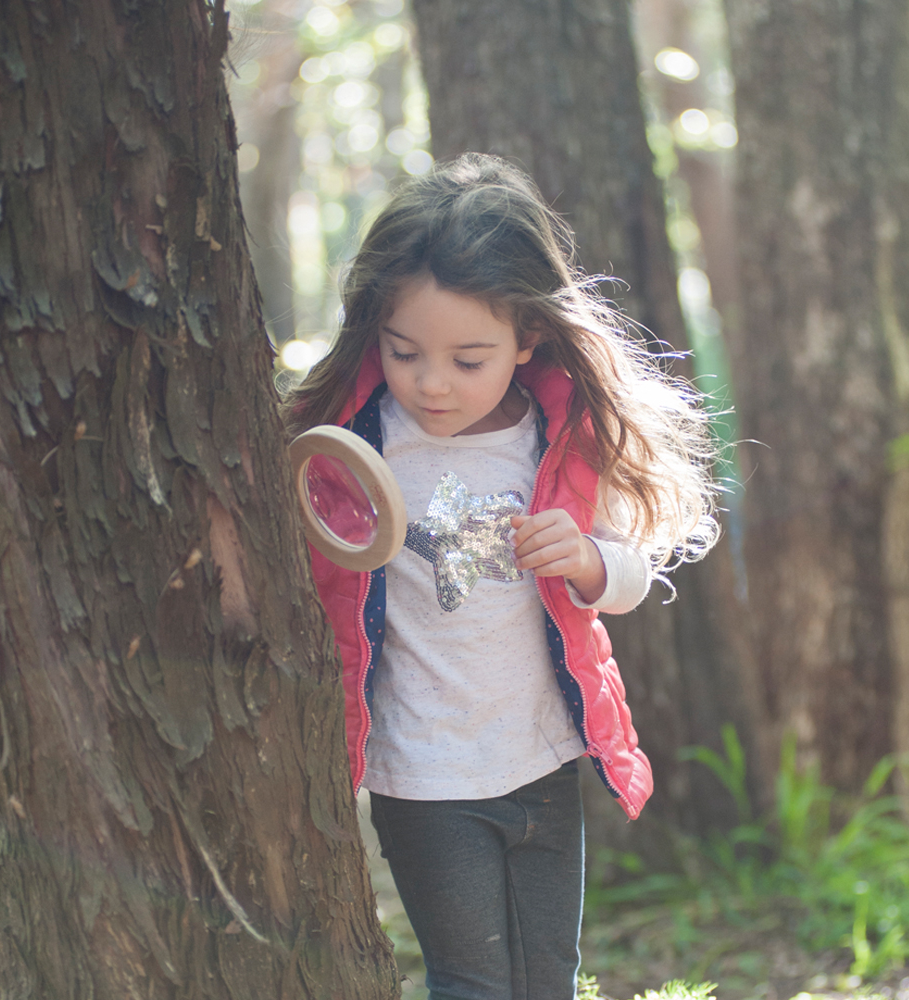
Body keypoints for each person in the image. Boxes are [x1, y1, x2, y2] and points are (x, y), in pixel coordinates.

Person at [284, 152, 719, 1000]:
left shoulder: (558, 436)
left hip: (543, 758)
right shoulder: (350, 446)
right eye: (405, 352)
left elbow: (629, 573)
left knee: (548, 978)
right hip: (424, 775)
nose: (433, 384)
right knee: (473, 981)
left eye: (468, 359)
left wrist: (592, 562)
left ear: (528, 338)